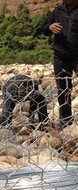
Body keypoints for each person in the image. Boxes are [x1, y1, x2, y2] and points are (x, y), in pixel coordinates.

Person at [42, 0, 78, 130]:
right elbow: (44, 28)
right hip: (60, 56)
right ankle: (66, 124)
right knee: (63, 90)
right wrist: (50, 27)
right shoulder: (58, 10)